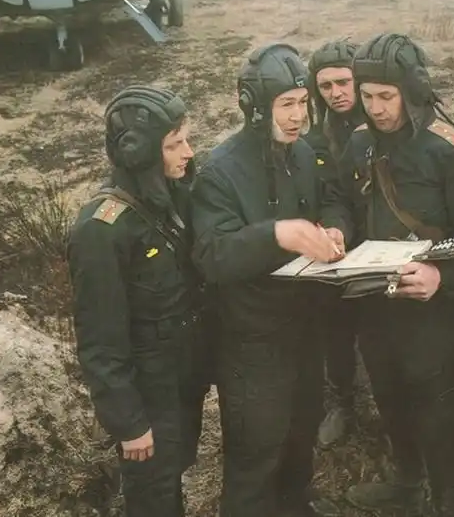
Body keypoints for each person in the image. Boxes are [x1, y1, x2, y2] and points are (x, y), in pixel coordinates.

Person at [320, 33, 454, 517]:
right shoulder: (360, 143)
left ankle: (451, 502)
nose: (375, 108)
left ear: (413, 91)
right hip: (374, 303)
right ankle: (406, 483)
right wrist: (337, 227)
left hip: (432, 312)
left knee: (439, 416)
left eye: (387, 96)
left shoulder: (452, 152)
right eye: (366, 96)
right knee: (390, 399)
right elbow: (340, 199)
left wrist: (442, 277)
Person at [190, 43, 342, 517]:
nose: (298, 117)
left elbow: (331, 200)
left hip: (304, 329)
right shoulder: (220, 171)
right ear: (255, 107)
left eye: (303, 103)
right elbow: (212, 255)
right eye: (286, 105)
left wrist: (336, 228)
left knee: (301, 434)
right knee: (256, 456)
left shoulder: (304, 154)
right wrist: (276, 234)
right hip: (252, 343)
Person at [68, 85, 209, 517]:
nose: (188, 152)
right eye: (174, 144)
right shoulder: (101, 230)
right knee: (152, 495)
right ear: (140, 153)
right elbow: (100, 343)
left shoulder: (168, 198)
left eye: (186, 140)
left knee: (173, 475)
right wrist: (129, 424)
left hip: (180, 380)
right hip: (147, 397)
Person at [305, 39, 366, 449]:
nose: (336, 93)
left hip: (388, 241)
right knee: (335, 328)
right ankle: (343, 401)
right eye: (325, 86)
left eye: (344, 82)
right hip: (342, 246)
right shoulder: (316, 139)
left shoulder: (384, 125)